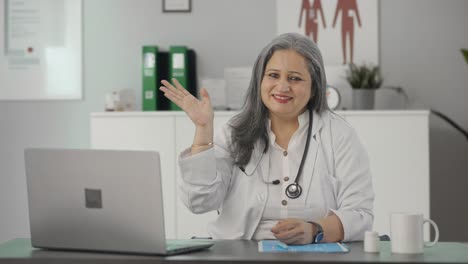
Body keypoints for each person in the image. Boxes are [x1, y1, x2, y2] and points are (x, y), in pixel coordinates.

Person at [159, 33, 374, 244]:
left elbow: (360, 214)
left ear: (314, 87)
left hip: (315, 249)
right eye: (273, 75)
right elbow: (200, 202)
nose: (282, 87)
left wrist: (315, 230)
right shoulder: (233, 131)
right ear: (259, 80)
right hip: (240, 252)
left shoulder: (339, 135)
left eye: (295, 78)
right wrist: (202, 129)